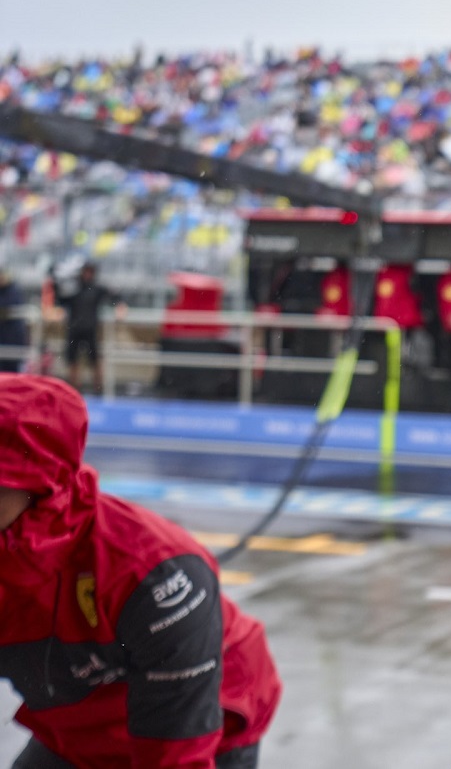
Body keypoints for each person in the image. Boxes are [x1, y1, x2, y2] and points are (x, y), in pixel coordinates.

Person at [0, 374, 282, 768]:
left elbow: (176, 754)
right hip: (76, 720)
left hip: (203, 720)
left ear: (40, 484)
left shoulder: (150, 570)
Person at [51, 261, 126, 394]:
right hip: (74, 330)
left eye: (90, 272)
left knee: (95, 360)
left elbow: (114, 297)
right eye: (86, 271)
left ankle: (99, 390)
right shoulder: (73, 289)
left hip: (90, 330)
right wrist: (55, 282)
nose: (87, 275)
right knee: (73, 361)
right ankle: (74, 390)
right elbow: (59, 299)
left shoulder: (96, 289)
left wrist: (120, 305)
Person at [0, 267, 28, 372]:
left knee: (13, 370)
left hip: (12, 337)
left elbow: (11, 305)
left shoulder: (14, 290)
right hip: (3, 337)